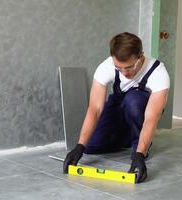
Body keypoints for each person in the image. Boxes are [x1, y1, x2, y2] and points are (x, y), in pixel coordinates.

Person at [63, 32, 170, 183]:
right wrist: (80, 146)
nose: (125, 73)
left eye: (129, 67)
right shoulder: (106, 67)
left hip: (140, 107)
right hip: (118, 105)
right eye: (119, 68)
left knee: (133, 101)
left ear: (141, 56)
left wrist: (140, 153)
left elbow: (151, 118)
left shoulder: (158, 72)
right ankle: (129, 134)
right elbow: (95, 108)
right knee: (92, 146)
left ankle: (138, 144)